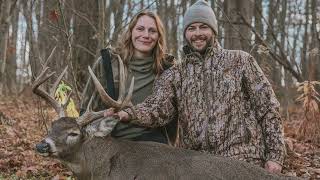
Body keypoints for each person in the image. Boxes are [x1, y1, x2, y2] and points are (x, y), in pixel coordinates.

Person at [107, 0, 286, 174]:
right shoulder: (176, 73)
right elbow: (157, 107)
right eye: (191, 28)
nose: (197, 33)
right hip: (198, 165)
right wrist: (128, 113)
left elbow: (268, 108)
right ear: (185, 33)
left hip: (242, 160)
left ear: (213, 30)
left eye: (203, 27)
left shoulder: (240, 61)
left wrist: (275, 156)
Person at [81, 10, 177, 144]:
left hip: (151, 143)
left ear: (159, 36)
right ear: (131, 31)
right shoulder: (108, 63)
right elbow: (85, 110)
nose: (146, 35)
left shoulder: (167, 68)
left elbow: (169, 112)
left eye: (152, 31)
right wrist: (103, 115)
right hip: (110, 141)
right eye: (140, 29)